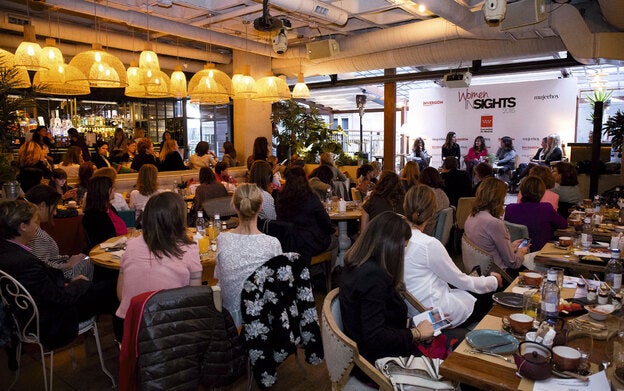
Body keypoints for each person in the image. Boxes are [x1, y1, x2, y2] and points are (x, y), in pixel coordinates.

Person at [0, 199, 116, 350]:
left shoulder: (6, 249)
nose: (37, 227)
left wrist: (69, 280)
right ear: (22, 226)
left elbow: (44, 285)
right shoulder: (23, 262)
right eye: (35, 223)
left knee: (105, 287)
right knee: (113, 288)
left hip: (30, 313)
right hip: (51, 320)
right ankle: (122, 345)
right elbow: (59, 298)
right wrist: (81, 283)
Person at [339, 211, 434, 383]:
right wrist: (416, 333)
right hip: (376, 364)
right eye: (403, 248)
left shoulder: (356, 266)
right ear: (391, 248)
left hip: (369, 355)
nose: (403, 255)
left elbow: (375, 319)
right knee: (454, 362)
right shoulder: (373, 278)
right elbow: (375, 337)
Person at [403, 185, 501, 327]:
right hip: (434, 315)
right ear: (432, 212)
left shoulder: (394, 238)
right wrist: (493, 281)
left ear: (405, 206)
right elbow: (461, 281)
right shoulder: (428, 244)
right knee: (489, 298)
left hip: (412, 311)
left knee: (475, 291)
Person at [115, 192, 202, 327]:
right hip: (173, 326)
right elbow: (194, 298)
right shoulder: (189, 250)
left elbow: (122, 292)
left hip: (134, 325)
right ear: (180, 219)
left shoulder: (131, 246)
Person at [215, 184, 282, 327]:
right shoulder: (272, 244)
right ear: (261, 206)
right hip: (263, 320)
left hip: (231, 322)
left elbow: (221, 279)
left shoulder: (222, 239)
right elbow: (278, 287)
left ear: (234, 206)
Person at [25, 184, 93, 280]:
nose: (55, 213)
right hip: (58, 276)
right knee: (94, 264)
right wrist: (69, 264)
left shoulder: (33, 229)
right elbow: (44, 268)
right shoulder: (33, 233)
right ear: (42, 206)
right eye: (54, 208)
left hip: (59, 268)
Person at [465, 177, 528, 275]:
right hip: (499, 274)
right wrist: (521, 252)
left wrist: (511, 247)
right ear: (499, 199)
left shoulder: (472, 217)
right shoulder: (494, 223)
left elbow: (487, 248)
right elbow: (513, 263)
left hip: (479, 271)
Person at [276, 166, 335, 264]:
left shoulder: (280, 199)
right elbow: (326, 222)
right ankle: (329, 274)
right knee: (335, 241)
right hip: (310, 243)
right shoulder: (311, 198)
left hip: (287, 244)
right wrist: (331, 230)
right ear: (305, 179)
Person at [505, 176, 568, 251]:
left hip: (516, 251)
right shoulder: (546, 208)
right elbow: (563, 225)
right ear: (542, 192)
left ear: (521, 190)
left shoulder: (510, 208)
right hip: (541, 252)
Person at [82, 175, 127, 250]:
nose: (114, 189)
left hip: (120, 245)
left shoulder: (110, 208)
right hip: (109, 251)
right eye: (112, 188)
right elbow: (104, 242)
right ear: (104, 191)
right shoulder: (94, 216)